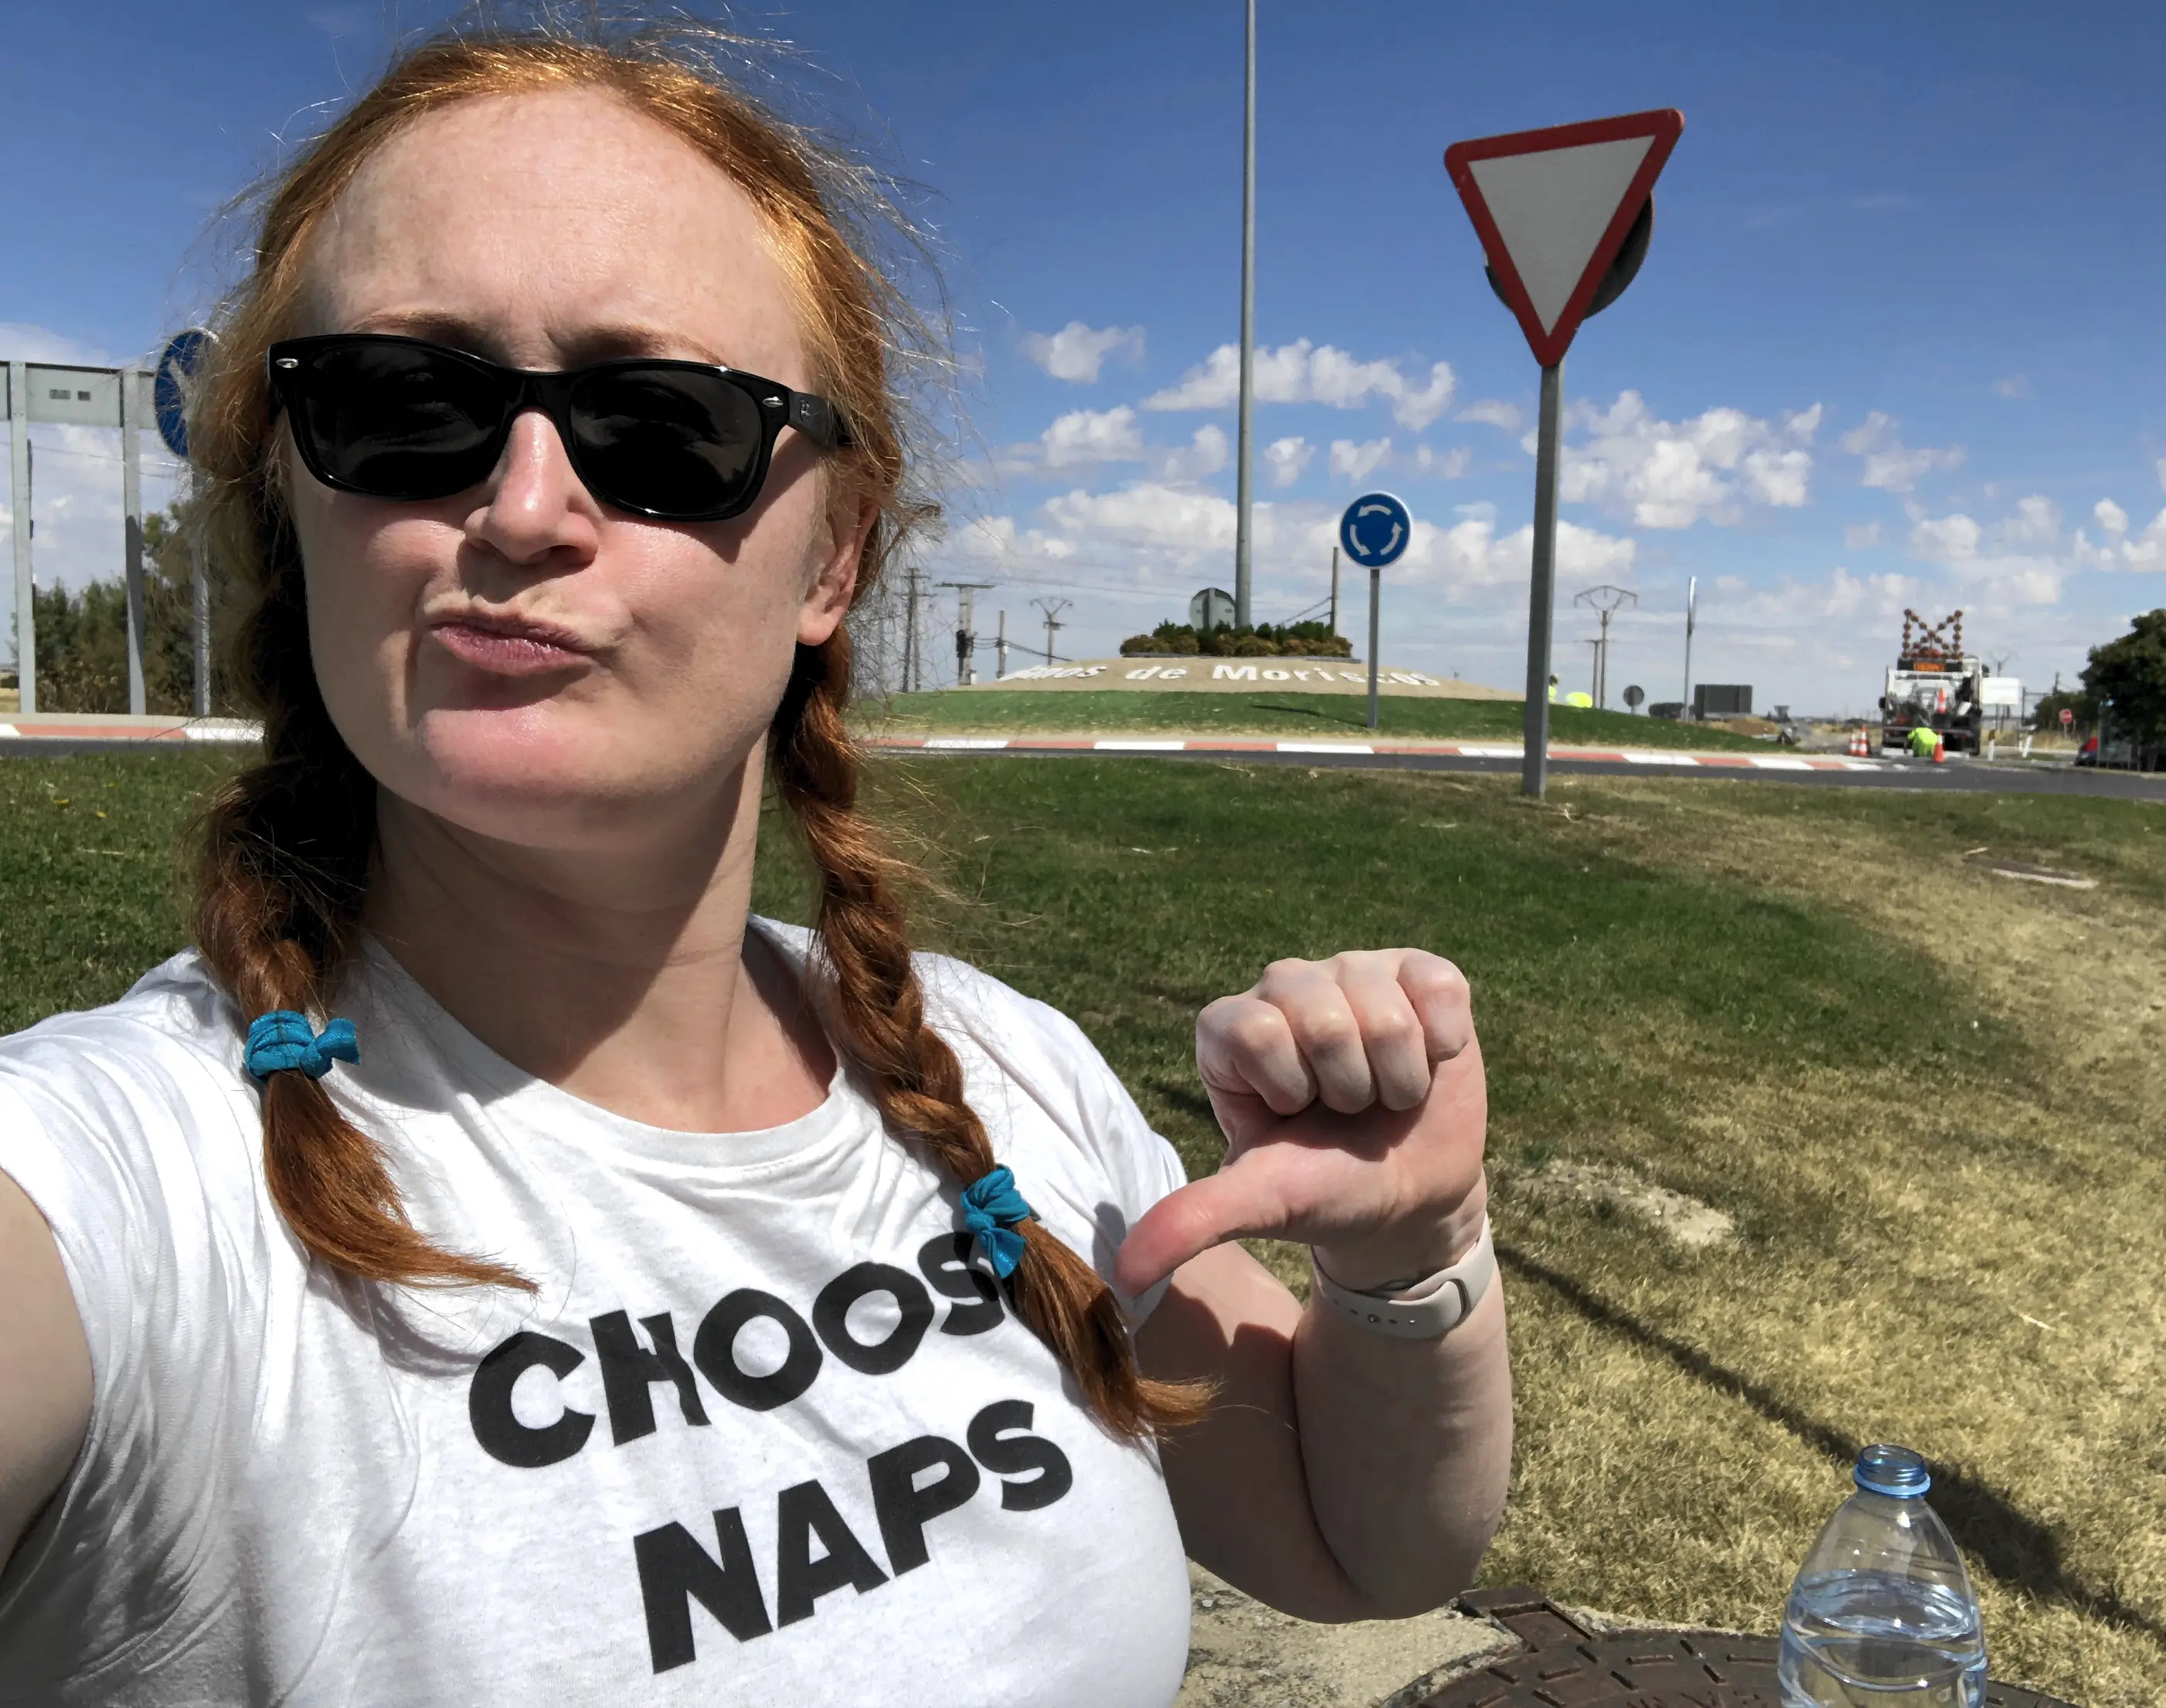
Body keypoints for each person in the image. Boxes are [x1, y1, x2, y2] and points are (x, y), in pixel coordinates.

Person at [0, 19, 1508, 1707]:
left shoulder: (1003, 1076)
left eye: (659, 426)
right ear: (291, 489)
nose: (520, 508)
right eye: (402, 403)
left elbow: (1356, 1543)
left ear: (832, 556)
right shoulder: (133, 1178)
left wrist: (1407, 1255)